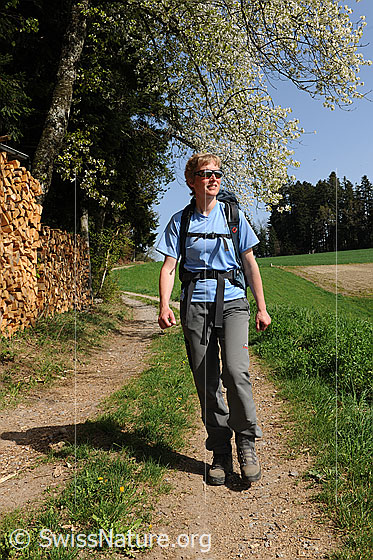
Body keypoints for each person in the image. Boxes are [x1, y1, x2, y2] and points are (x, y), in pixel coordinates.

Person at [156, 152, 271, 486]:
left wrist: (261, 307)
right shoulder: (181, 221)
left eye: (218, 173)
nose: (214, 178)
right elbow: (168, 268)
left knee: (236, 372)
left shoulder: (234, 216)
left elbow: (250, 264)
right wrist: (165, 305)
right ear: (192, 180)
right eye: (206, 174)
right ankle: (220, 451)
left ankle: (246, 443)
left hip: (234, 302)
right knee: (206, 382)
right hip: (195, 305)